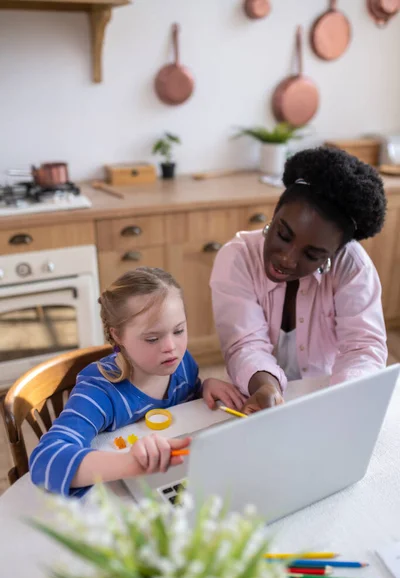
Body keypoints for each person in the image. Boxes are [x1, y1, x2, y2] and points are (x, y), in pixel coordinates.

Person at [30, 267, 244, 496]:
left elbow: (186, 413)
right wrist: (129, 463)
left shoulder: (182, 365)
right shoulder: (99, 391)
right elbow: (45, 460)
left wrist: (204, 388)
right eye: (153, 338)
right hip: (122, 496)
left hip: (175, 480)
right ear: (118, 336)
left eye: (179, 330)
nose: (171, 347)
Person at [210, 146, 388, 414]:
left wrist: (342, 399)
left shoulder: (352, 267)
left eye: (312, 254)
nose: (287, 260)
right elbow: (244, 344)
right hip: (255, 394)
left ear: (334, 254)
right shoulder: (238, 258)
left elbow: (363, 348)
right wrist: (265, 387)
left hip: (324, 393)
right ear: (274, 214)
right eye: (283, 235)